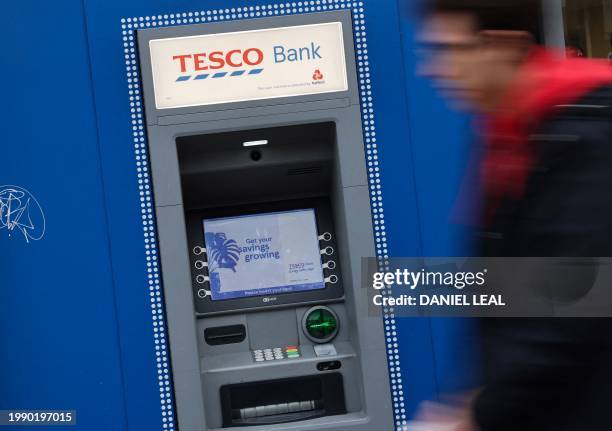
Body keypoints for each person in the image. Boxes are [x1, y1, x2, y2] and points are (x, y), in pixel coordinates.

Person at [416, 1, 612, 430]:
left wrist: (477, 415)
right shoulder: (512, 133)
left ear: (503, 45)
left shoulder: (586, 130)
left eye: (448, 49)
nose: (430, 69)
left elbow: (578, 300)